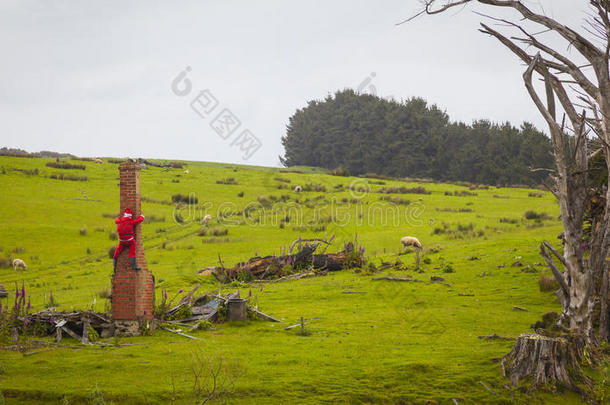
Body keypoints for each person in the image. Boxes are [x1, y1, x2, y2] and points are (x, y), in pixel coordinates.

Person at [112, 208, 145, 272]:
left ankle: (114, 268)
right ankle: (133, 266)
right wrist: (142, 216)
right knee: (132, 250)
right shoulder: (130, 221)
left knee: (116, 253)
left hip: (121, 241)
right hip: (129, 240)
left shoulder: (119, 221)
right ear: (130, 216)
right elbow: (139, 220)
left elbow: (116, 220)